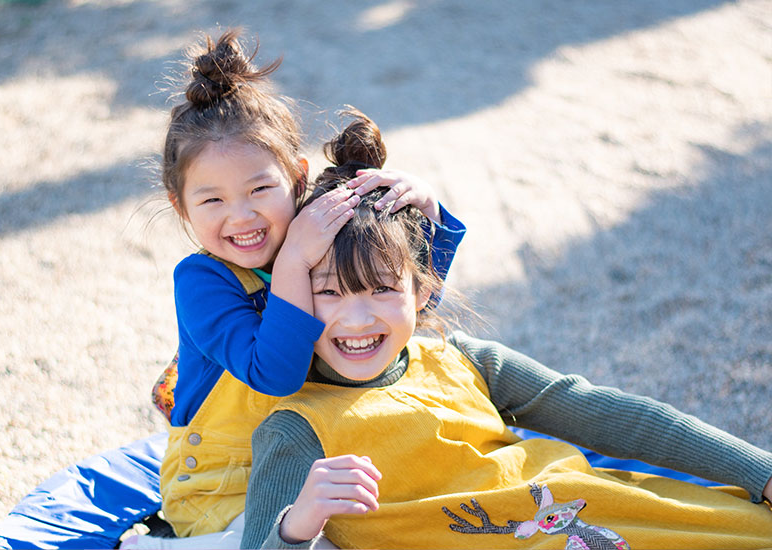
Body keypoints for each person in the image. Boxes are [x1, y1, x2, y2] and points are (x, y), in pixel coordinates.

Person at [241, 111, 772, 549]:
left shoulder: (463, 358)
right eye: (329, 292)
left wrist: (759, 471)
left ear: (423, 291)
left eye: (381, 289)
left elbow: (613, 417)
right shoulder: (296, 429)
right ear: (294, 295)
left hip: (606, 512)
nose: (356, 320)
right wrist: (297, 525)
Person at [122, 30, 465, 549]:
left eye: (260, 189)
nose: (242, 216)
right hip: (223, 489)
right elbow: (273, 375)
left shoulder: (313, 234)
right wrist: (295, 263)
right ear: (179, 206)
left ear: (297, 179)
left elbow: (409, 306)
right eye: (211, 200)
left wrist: (431, 214)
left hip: (301, 463)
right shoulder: (202, 282)